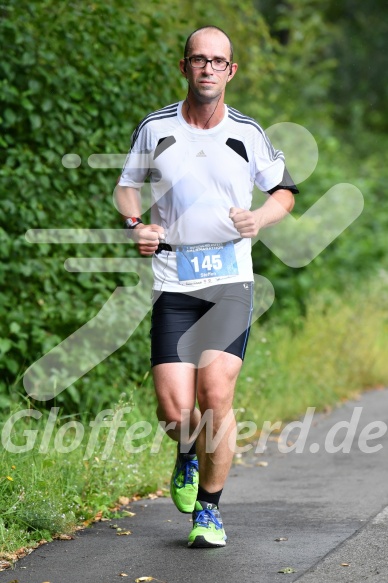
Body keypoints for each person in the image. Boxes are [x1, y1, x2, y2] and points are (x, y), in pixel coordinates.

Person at [115, 25, 297, 548]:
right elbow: (127, 188)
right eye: (199, 59)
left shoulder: (247, 132)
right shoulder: (156, 128)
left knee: (216, 393)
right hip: (174, 283)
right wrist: (137, 227)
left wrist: (260, 219)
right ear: (185, 67)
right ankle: (186, 454)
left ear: (231, 71)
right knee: (175, 412)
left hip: (230, 281)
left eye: (219, 61)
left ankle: (210, 512)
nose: (209, 68)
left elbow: (283, 191)